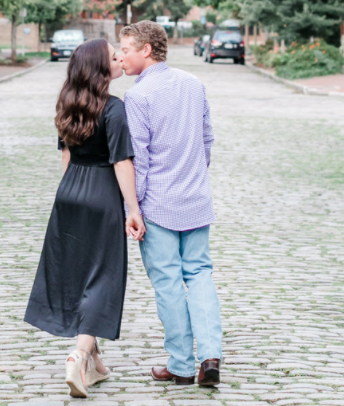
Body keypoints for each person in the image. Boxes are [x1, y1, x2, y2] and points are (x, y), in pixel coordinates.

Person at [24, 38, 146, 398]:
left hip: (69, 192)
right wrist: (133, 209)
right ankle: (78, 355)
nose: (119, 59)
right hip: (102, 195)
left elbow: (66, 155)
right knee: (102, 277)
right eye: (113, 57)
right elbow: (121, 162)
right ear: (99, 68)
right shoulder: (114, 108)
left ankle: (96, 364)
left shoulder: (68, 102)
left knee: (79, 274)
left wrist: (70, 195)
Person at [119, 21, 223, 387]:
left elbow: (139, 158)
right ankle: (210, 356)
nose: (121, 57)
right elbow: (207, 139)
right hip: (196, 198)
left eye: (126, 49)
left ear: (146, 50)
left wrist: (133, 209)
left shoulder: (138, 96)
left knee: (168, 282)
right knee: (200, 274)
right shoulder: (194, 84)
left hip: (159, 203)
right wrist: (194, 176)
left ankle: (180, 365)